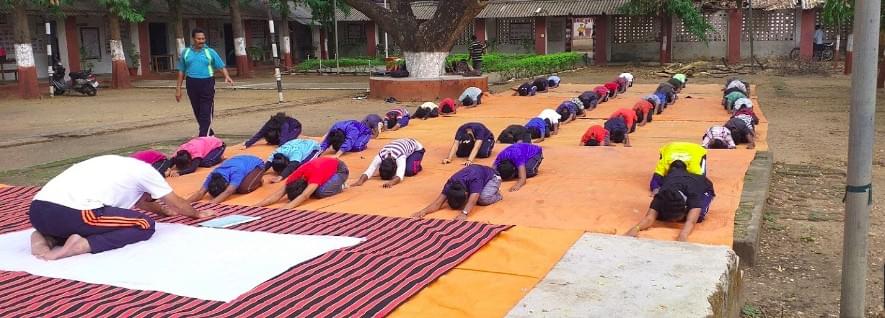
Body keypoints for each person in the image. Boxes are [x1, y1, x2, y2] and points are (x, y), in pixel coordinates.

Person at [29, 155, 213, 260]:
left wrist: (164, 211)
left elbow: (142, 202)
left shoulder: (112, 164)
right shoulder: (148, 172)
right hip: (74, 212)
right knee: (144, 224)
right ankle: (82, 245)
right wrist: (197, 214)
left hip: (38, 212)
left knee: (104, 221)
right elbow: (175, 201)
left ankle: (46, 237)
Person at [624, 159, 715, 241]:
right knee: (659, 216)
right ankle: (673, 214)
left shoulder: (694, 192)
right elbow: (649, 218)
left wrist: (682, 236)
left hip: (704, 187)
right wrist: (636, 228)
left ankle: (678, 214)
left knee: (699, 216)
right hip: (675, 188)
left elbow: (691, 221)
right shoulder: (661, 195)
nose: (673, 222)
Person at [175, 28, 234, 137]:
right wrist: (178, 89)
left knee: (206, 111)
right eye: (199, 39)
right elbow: (181, 71)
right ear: (193, 39)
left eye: (203, 38)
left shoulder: (210, 52)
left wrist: (227, 76)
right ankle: (208, 132)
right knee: (197, 110)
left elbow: (220, 66)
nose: (201, 41)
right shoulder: (186, 52)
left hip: (207, 83)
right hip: (191, 83)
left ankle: (203, 136)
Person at [412, 164, 502, 221]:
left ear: (466, 194)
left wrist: (464, 213)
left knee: (482, 199)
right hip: (475, 176)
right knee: (476, 194)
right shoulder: (450, 183)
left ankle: (497, 195)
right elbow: (437, 203)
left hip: (493, 177)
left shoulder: (475, 179)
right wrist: (423, 211)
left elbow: (474, 197)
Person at [256, 157, 349, 208]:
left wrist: (285, 208)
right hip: (324, 166)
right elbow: (278, 194)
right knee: (314, 190)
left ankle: (341, 185)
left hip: (339, 169)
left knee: (320, 192)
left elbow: (305, 195)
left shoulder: (315, 177)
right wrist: (258, 205)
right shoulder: (294, 177)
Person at [187, 155, 265, 204]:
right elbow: (200, 192)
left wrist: (210, 204)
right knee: (236, 186)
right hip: (238, 161)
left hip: (257, 164)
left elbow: (228, 191)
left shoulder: (236, 171)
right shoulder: (213, 175)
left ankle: (258, 180)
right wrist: (185, 203)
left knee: (243, 188)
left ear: (226, 184)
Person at [351, 138, 425, 188]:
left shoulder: (400, 157)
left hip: (417, 149)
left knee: (408, 171)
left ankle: (417, 164)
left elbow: (400, 175)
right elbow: (370, 170)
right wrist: (360, 181)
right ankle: (411, 161)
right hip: (402, 144)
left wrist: (391, 182)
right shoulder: (380, 156)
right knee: (405, 166)